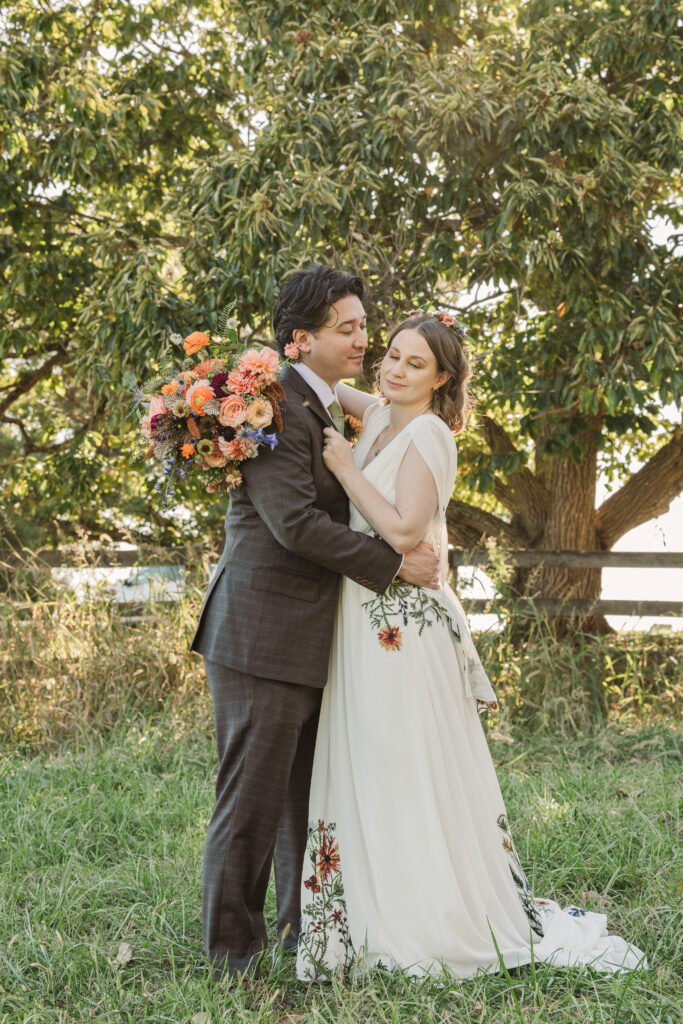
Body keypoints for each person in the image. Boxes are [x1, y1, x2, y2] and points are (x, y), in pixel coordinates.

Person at [296, 311, 647, 979]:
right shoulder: (378, 415)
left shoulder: (428, 433)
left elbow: (402, 533)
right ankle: (371, 910)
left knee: (407, 763)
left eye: (414, 364)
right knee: (368, 759)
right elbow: (318, 381)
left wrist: (342, 467)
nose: (395, 370)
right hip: (362, 619)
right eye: (391, 356)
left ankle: (430, 916)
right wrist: (267, 365)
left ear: (443, 379)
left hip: (403, 629)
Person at [190, 266, 441, 982]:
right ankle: (233, 955)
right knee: (251, 802)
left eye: (365, 325)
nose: (364, 339)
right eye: (348, 328)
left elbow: (407, 409)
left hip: (308, 638)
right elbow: (294, 524)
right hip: (259, 635)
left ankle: (308, 932)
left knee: (301, 801)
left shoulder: (321, 402)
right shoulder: (268, 407)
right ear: (300, 340)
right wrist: (392, 566)